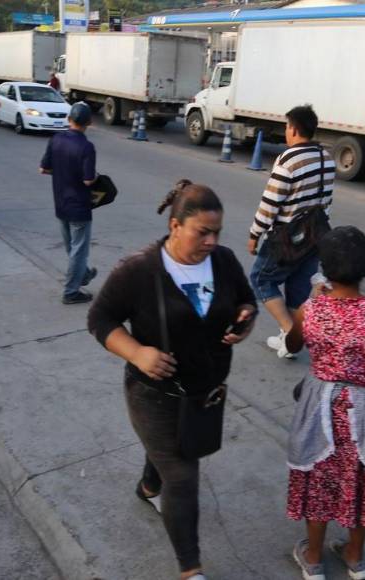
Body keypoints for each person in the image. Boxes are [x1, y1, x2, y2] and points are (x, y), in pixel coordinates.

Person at [87, 180, 257, 580]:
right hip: (153, 393)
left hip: (204, 391)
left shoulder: (225, 261)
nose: (212, 241)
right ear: (176, 225)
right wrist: (137, 352)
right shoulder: (140, 270)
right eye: (203, 232)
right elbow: (100, 319)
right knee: (182, 476)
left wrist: (245, 321)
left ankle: (148, 486)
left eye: (217, 232)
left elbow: (246, 299)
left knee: (168, 454)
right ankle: (191, 570)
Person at [284, 226, 365, 580]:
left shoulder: (310, 311)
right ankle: (355, 557)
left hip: (320, 409)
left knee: (319, 479)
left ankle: (313, 558)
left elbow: (293, 346)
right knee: (363, 479)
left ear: (323, 268)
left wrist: (311, 300)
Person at [247, 104, 335, 359]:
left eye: (287, 126)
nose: (286, 131)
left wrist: (255, 234)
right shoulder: (326, 158)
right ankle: (288, 338)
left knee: (261, 279)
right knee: (297, 287)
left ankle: (291, 335)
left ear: (294, 129)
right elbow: (327, 199)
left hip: (287, 237)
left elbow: (270, 204)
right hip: (316, 235)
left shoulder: (288, 160)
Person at [39, 102, 99, 304]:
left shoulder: (56, 139)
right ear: (89, 122)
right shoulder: (86, 147)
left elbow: (44, 169)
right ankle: (71, 292)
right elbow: (88, 180)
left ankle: (83, 275)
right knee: (78, 250)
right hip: (79, 206)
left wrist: (63, 171)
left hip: (61, 203)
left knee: (73, 249)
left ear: (69, 119)